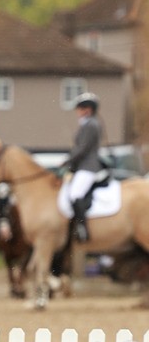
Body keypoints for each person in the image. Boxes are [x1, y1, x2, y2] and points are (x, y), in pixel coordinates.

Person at [66, 92, 103, 243]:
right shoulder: (86, 124)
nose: (78, 111)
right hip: (83, 166)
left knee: (75, 194)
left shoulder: (91, 125)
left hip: (88, 167)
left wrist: (68, 161)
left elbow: (82, 149)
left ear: (89, 109)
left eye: (81, 108)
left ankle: (82, 229)